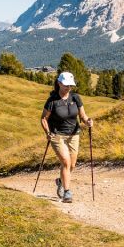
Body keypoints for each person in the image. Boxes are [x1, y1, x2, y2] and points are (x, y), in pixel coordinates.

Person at [40, 71, 93, 203]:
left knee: (72, 164)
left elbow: (82, 116)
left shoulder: (75, 98)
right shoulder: (52, 101)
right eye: (65, 85)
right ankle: (67, 192)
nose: (68, 88)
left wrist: (88, 122)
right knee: (66, 162)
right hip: (57, 135)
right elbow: (43, 119)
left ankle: (60, 181)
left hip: (74, 134)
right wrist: (47, 132)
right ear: (59, 83)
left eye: (70, 85)